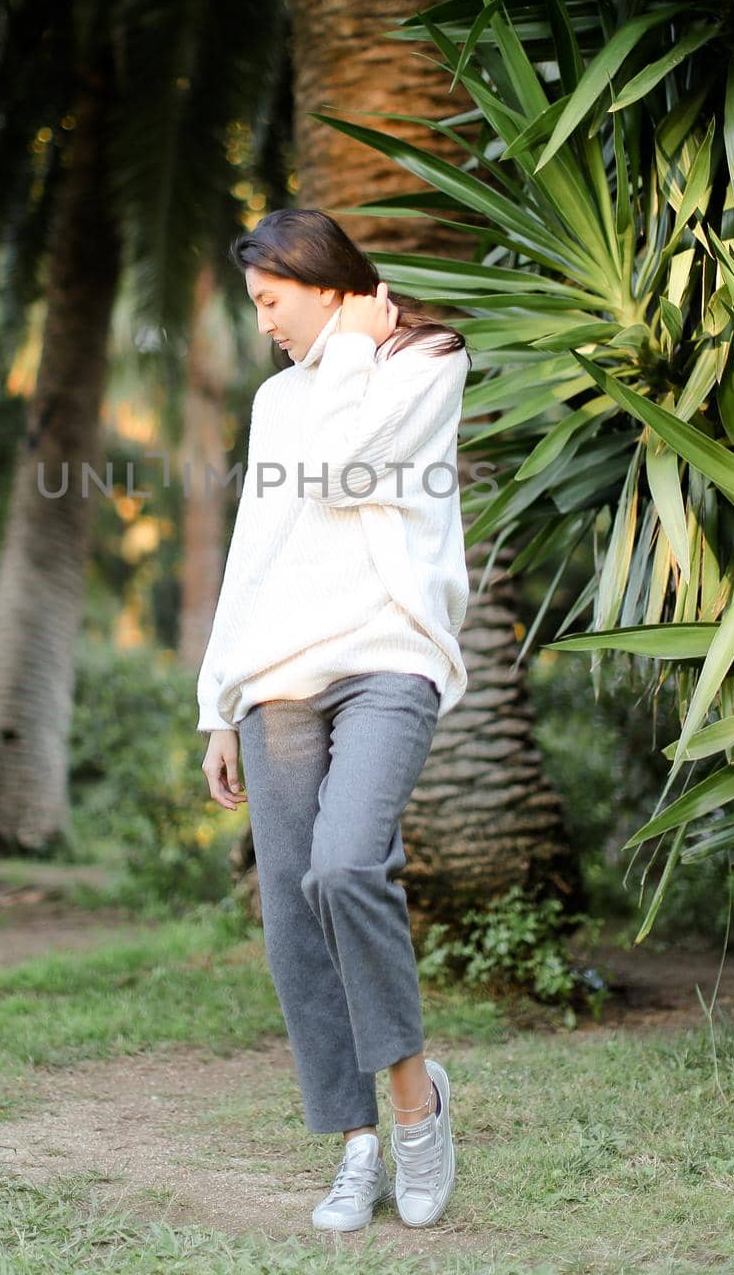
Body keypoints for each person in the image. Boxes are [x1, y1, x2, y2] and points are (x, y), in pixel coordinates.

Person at [198, 207, 472, 1233]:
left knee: (345, 866)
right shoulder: (277, 399)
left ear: (322, 282)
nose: (263, 322)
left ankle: (413, 1106)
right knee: (291, 912)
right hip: (277, 677)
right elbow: (257, 543)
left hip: (388, 661)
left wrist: (355, 346)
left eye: (271, 300)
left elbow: (344, 472)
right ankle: (354, 1144)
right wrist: (217, 700)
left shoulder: (425, 358)